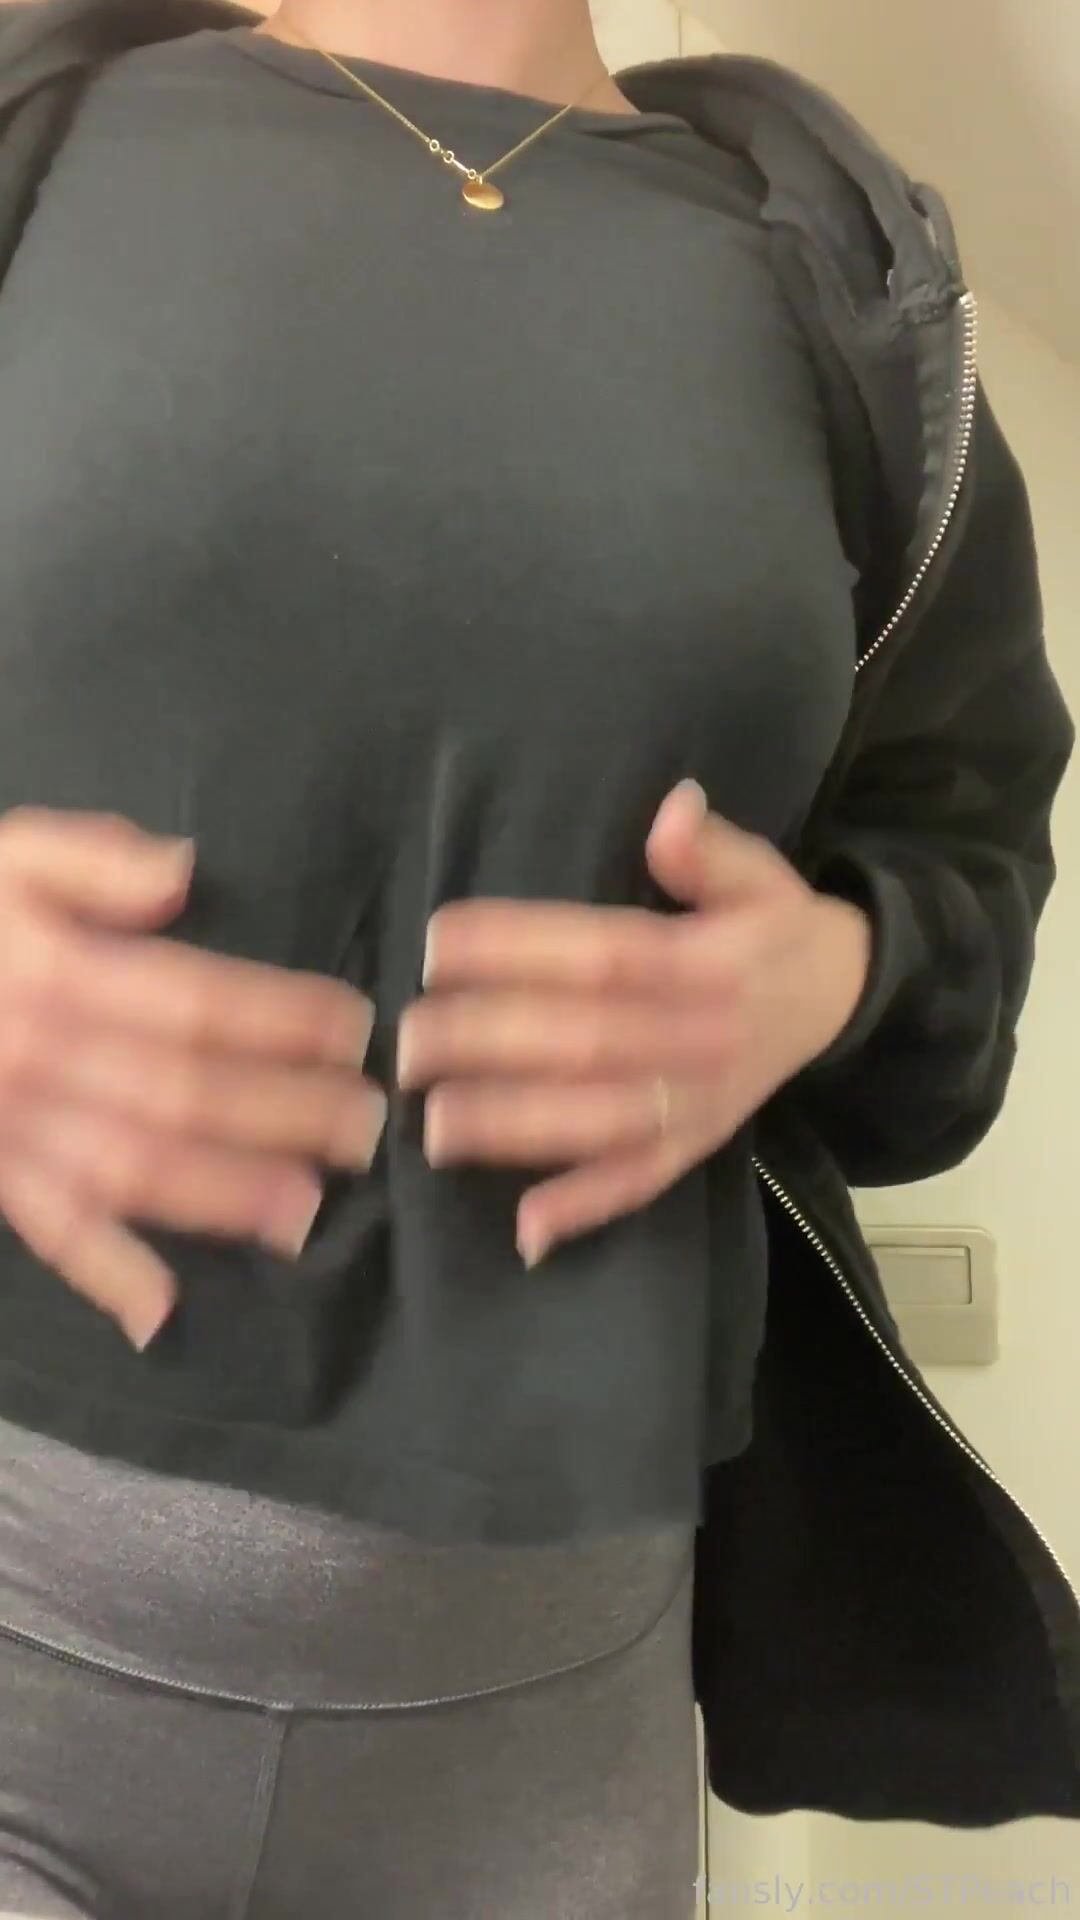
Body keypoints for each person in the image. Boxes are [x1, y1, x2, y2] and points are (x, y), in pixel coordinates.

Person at [0, 0, 1077, 1912]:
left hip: (546, 1767)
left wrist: (837, 970)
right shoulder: (45, 135)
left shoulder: (851, 296)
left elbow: (965, 886)